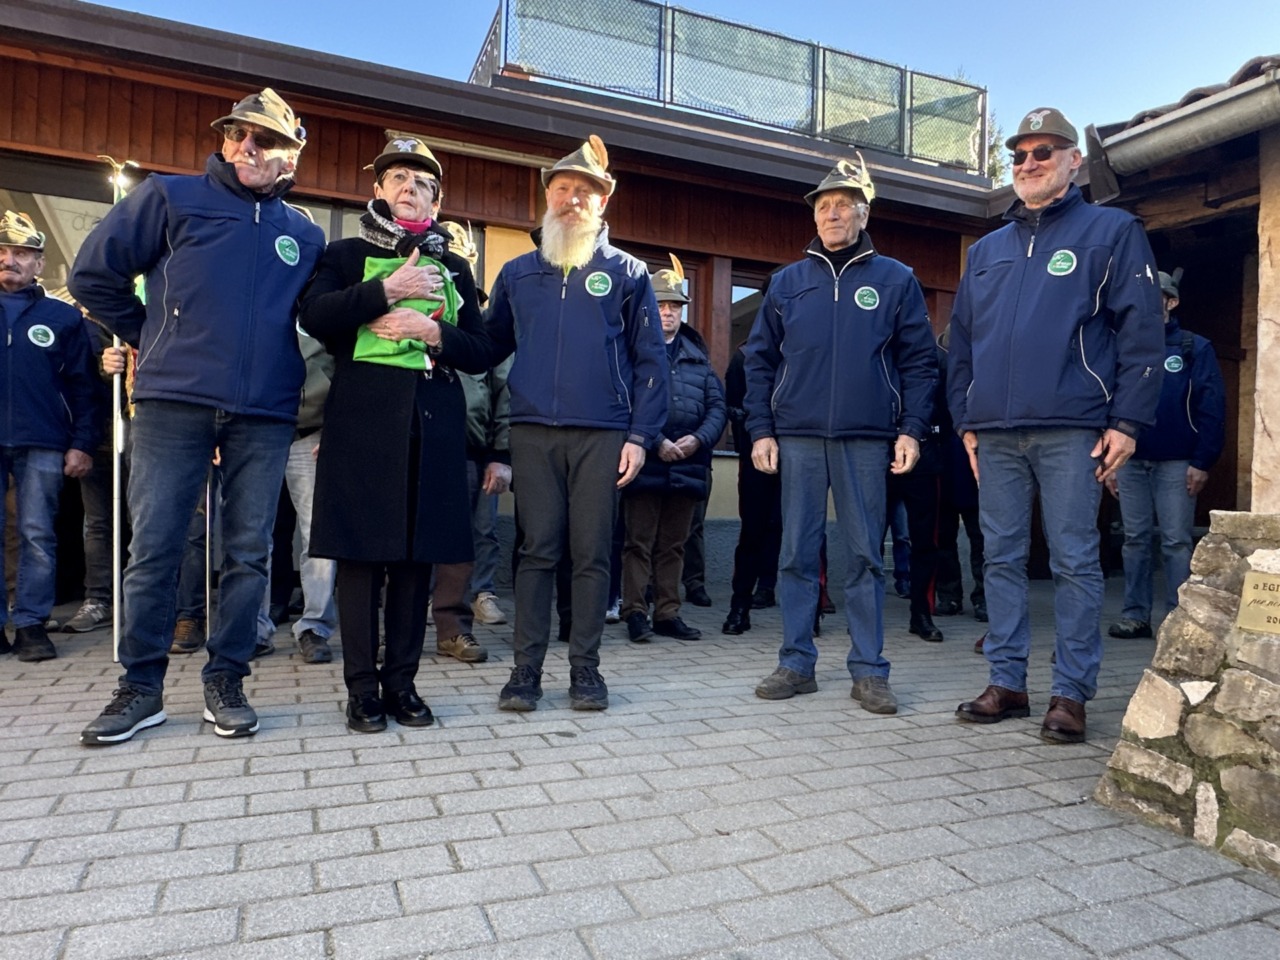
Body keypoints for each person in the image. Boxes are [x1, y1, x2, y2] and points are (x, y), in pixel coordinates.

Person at [70, 88, 325, 744]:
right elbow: (91, 276)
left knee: (249, 552)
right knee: (154, 546)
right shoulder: (170, 197)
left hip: (264, 413)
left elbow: (322, 318)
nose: (247, 146)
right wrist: (153, 336)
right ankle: (141, 686)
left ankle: (227, 677)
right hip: (172, 403)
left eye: (266, 140)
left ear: (292, 157)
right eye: (239, 133)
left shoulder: (305, 233)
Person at [949, 107, 1164, 744]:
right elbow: (961, 344)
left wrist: (1127, 420)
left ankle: (1070, 693)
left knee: (1074, 561)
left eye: (1044, 151)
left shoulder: (1112, 231)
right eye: (1018, 154)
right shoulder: (985, 250)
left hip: (1075, 427)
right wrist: (966, 421)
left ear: (1075, 161)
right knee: (1001, 559)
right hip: (994, 431)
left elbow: (1142, 331)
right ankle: (1007, 682)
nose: (1028, 163)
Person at [300, 133, 490, 733]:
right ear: (379, 189)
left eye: (424, 183)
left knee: (414, 562)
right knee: (362, 560)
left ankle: (402, 683)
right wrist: (388, 291)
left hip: (432, 428)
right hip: (361, 426)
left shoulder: (455, 264)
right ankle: (361, 689)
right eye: (400, 180)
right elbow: (314, 315)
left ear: (437, 198)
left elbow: (481, 351)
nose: (411, 190)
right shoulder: (344, 253)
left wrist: (430, 332)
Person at [743, 156, 937, 714]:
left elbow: (920, 364)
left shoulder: (896, 280)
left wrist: (913, 431)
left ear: (863, 212)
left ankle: (870, 670)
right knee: (796, 554)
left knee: (862, 558)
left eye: (842, 205)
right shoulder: (786, 283)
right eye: (823, 206)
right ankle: (795, 662)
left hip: (868, 438)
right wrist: (760, 429)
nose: (831, 213)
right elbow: (757, 361)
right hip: (797, 437)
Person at [486, 134, 668, 712]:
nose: (571, 199)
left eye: (584, 191)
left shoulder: (629, 273)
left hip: (602, 435)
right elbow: (487, 344)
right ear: (547, 198)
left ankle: (586, 671)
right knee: (537, 552)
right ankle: (525, 673)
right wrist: (439, 334)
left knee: (591, 555)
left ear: (603, 202)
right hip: (534, 431)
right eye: (562, 189)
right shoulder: (517, 274)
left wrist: (639, 437)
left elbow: (651, 363)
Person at [0, 210, 100, 661]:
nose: (10, 260)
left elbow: (84, 384)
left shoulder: (62, 317)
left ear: (40, 263)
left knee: (37, 532)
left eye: (22, 253)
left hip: (42, 438)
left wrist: (82, 442)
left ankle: (30, 625)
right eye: (2, 252)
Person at [1108, 268, 1225, 639]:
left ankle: (1177, 619)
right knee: (1134, 538)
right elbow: (1106, 403)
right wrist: (1108, 462)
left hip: (1178, 462)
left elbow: (1213, 407)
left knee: (1175, 540)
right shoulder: (1121, 347)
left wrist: (1202, 461)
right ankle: (1135, 615)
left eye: (1153, 297)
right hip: (1129, 461)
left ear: (1170, 302)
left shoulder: (1195, 347)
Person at [620, 254, 726, 643]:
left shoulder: (699, 358)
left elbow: (717, 407)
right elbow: (626, 402)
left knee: (674, 545)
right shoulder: (634, 352)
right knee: (638, 543)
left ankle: (667, 612)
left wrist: (698, 439)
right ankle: (635, 612)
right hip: (645, 461)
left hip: (688, 463)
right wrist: (656, 440)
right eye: (661, 305)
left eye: (674, 306)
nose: (667, 312)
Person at [722, 340, 782, 635]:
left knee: (807, 534)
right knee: (753, 532)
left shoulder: (809, 347)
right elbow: (735, 407)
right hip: (757, 454)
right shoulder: (746, 355)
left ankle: (812, 613)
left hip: (802, 453)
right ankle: (739, 606)